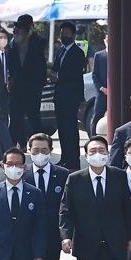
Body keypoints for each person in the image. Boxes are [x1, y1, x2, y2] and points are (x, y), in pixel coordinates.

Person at [23, 133, 69, 260]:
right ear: (29, 150)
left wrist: (66, 235)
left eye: (44, 150)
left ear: (51, 151)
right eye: (35, 150)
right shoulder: (21, 174)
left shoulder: (63, 174)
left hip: (52, 237)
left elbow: (67, 208)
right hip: (27, 239)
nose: (40, 154)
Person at [6, 15, 46, 146]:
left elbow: (40, 65)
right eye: (15, 29)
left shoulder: (38, 42)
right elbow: (10, 65)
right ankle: (17, 144)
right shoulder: (12, 44)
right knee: (15, 117)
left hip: (32, 87)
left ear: (28, 30)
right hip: (16, 87)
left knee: (34, 117)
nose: (16, 31)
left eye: (20, 29)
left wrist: (39, 85)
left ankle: (39, 145)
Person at [52, 21, 86, 170]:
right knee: (62, 129)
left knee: (71, 128)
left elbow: (74, 73)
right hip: (59, 95)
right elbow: (54, 68)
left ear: (73, 35)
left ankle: (73, 160)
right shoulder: (60, 51)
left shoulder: (78, 53)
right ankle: (65, 158)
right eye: (61, 33)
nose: (63, 36)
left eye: (66, 33)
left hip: (71, 96)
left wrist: (58, 76)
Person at [90, 33, 108, 136]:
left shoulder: (120, 54)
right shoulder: (99, 55)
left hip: (116, 93)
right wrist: (101, 88)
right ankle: (93, 139)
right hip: (102, 93)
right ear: (104, 40)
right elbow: (94, 75)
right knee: (96, 116)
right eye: (107, 39)